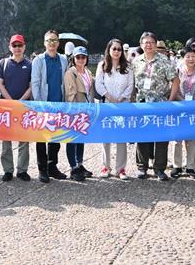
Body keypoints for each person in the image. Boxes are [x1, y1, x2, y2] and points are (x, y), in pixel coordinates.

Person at [132, 31, 180, 181]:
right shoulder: (136, 62)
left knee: (161, 138)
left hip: (160, 104)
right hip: (142, 104)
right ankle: (142, 167)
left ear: (155, 44)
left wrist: (170, 101)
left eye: (151, 42)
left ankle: (159, 168)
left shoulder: (164, 60)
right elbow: (132, 84)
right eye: (145, 42)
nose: (148, 45)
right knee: (142, 136)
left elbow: (175, 81)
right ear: (141, 44)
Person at [31, 29, 69, 183]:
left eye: (54, 40)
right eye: (49, 41)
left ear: (58, 43)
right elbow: (35, 83)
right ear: (44, 43)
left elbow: (65, 82)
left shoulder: (63, 60)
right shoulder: (38, 60)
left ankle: (52, 166)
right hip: (43, 103)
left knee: (56, 137)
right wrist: (39, 105)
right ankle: (42, 170)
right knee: (41, 138)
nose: (52, 43)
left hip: (58, 103)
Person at [95, 38, 134, 179]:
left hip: (123, 106)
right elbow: (99, 85)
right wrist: (110, 97)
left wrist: (122, 98)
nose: (116, 51)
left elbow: (131, 85)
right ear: (109, 50)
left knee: (121, 137)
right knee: (106, 137)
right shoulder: (102, 65)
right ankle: (106, 166)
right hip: (107, 105)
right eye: (114, 49)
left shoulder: (127, 67)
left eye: (119, 49)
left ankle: (121, 168)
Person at [0, 34, 32, 182]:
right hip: (6, 106)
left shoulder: (30, 64)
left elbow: (31, 86)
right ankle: (8, 170)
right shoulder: (3, 63)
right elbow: (0, 83)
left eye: (20, 45)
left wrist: (21, 101)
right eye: (14, 45)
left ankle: (22, 170)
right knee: (6, 139)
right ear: (10, 47)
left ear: (24, 47)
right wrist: (11, 101)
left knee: (24, 139)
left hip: (24, 106)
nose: (17, 48)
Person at [172, 46, 195, 179]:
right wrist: (183, 103)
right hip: (179, 109)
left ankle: (191, 167)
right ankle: (177, 166)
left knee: (192, 139)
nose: (191, 58)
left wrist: (194, 105)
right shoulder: (177, 72)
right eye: (188, 56)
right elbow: (174, 90)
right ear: (183, 58)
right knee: (177, 139)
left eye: (193, 56)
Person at [63, 46, 95, 181]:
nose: (81, 59)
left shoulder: (88, 72)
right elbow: (71, 93)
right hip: (75, 111)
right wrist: (76, 111)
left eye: (83, 57)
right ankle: (73, 167)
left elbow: (91, 91)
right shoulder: (71, 73)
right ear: (73, 59)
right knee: (72, 139)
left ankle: (80, 163)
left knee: (81, 138)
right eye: (78, 57)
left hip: (86, 110)